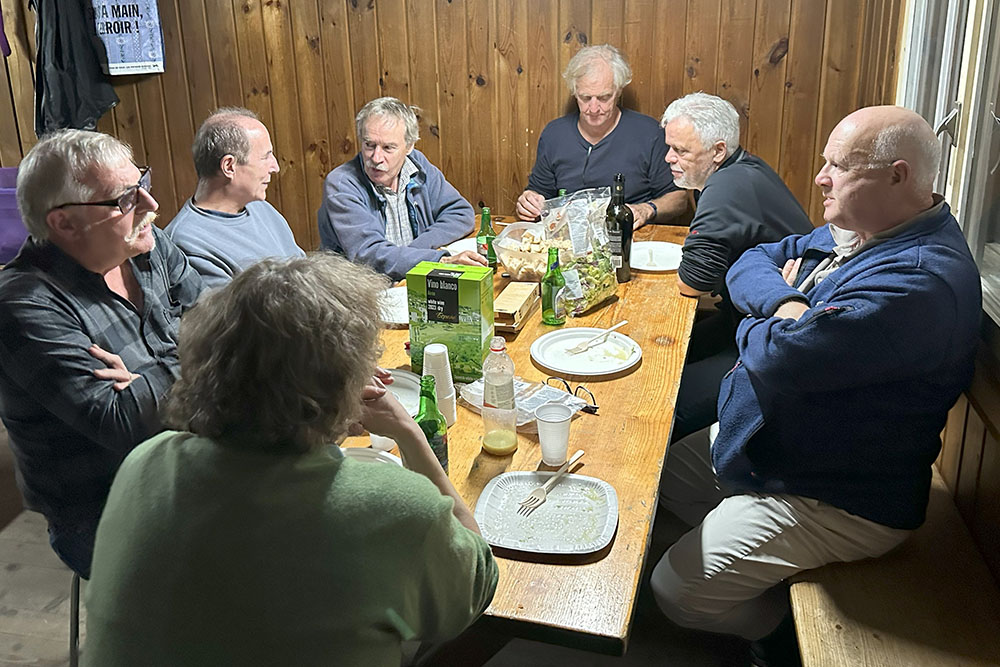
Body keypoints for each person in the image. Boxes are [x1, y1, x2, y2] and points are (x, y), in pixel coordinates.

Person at [651, 106, 981, 663]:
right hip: (780, 442)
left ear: (898, 176)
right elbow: (752, 260)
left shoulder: (919, 280)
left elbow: (781, 360)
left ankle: (777, 639)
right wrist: (787, 304)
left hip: (836, 493)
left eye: (840, 166)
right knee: (662, 479)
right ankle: (758, 562)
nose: (820, 178)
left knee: (673, 591)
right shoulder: (862, 229)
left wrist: (758, 322)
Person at [84, 254, 498, 666]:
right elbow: (477, 584)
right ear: (344, 382)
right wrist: (409, 432)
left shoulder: (146, 462)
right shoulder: (395, 508)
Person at [0, 129, 204, 578]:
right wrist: (198, 355)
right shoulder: (21, 304)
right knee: (252, 571)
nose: (151, 204)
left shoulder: (145, 243)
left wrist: (145, 380)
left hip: (192, 457)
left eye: (142, 183)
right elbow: (122, 422)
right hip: (106, 508)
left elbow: (220, 320)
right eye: (126, 198)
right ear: (64, 223)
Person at [662, 92, 813, 442]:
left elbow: (694, 282)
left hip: (777, 340)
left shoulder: (727, 185)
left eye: (681, 150)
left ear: (718, 151)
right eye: (669, 147)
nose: (669, 157)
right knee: (664, 353)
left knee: (666, 399)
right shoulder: (742, 169)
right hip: (745, 317)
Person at [516, 44, 688, 227]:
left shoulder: (649, 133)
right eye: (585, 98)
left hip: (629, 234)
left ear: (618, 91)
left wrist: (646, 209)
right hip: (568, 235)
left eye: (604, 98)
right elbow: (539, 192)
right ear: (575, 92)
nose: (593, 108)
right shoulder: (554, 134)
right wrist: (529, 203)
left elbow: (679, 198)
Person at [318, 97, 485, 280]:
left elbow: (460, 213)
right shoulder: (342, 184)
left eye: (388, 148)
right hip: (364, 289)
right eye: (369, 145)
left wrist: (413, 252)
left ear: (409, 146)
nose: (376, 158)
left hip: (414, 278)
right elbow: (370, 255)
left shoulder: (416, 164)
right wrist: (437, 260)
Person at [165, 107, 304, 288]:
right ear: (229, 166)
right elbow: (228, 307)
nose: (275, 167)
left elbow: (304, 270)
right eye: (266, 157)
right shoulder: (188, 243)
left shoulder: (260, 207)